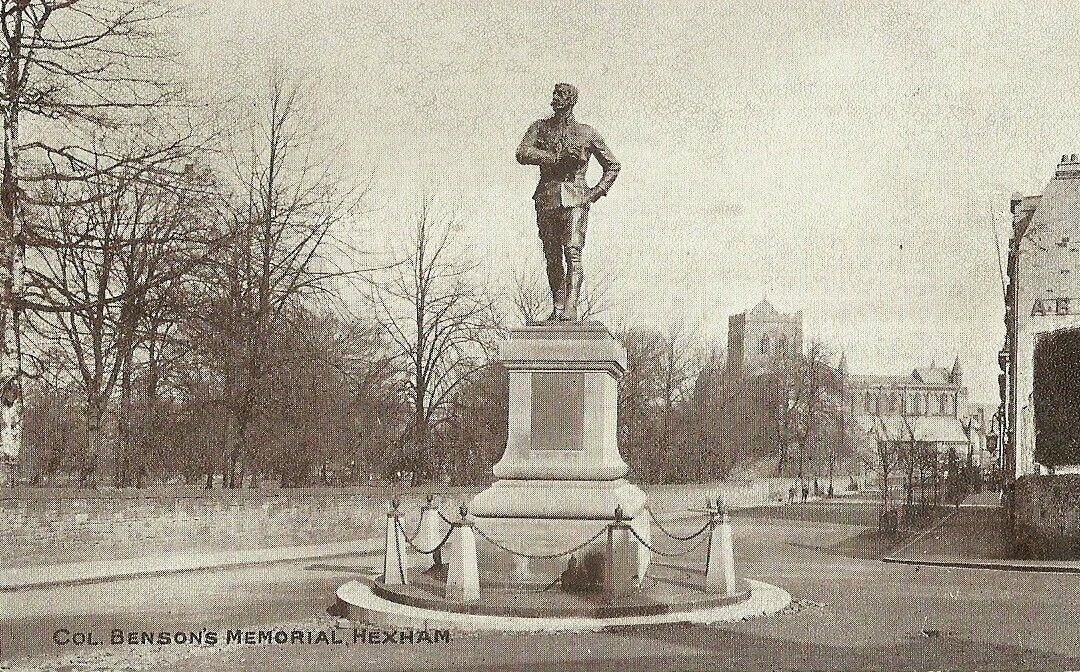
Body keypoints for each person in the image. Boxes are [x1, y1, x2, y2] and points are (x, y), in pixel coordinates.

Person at [516, 83, 620, 321]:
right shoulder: (540, 128)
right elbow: (522, 153)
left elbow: (613, 165)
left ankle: (571, 307)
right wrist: (555, 157)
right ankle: (558, 308)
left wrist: (595, 192)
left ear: (571, 100)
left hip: (576, 197)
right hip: (547, 198)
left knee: (572, 252)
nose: (555, 99)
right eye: (554, 94)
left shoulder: (587, 132)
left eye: (561, 95)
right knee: (552, 255)